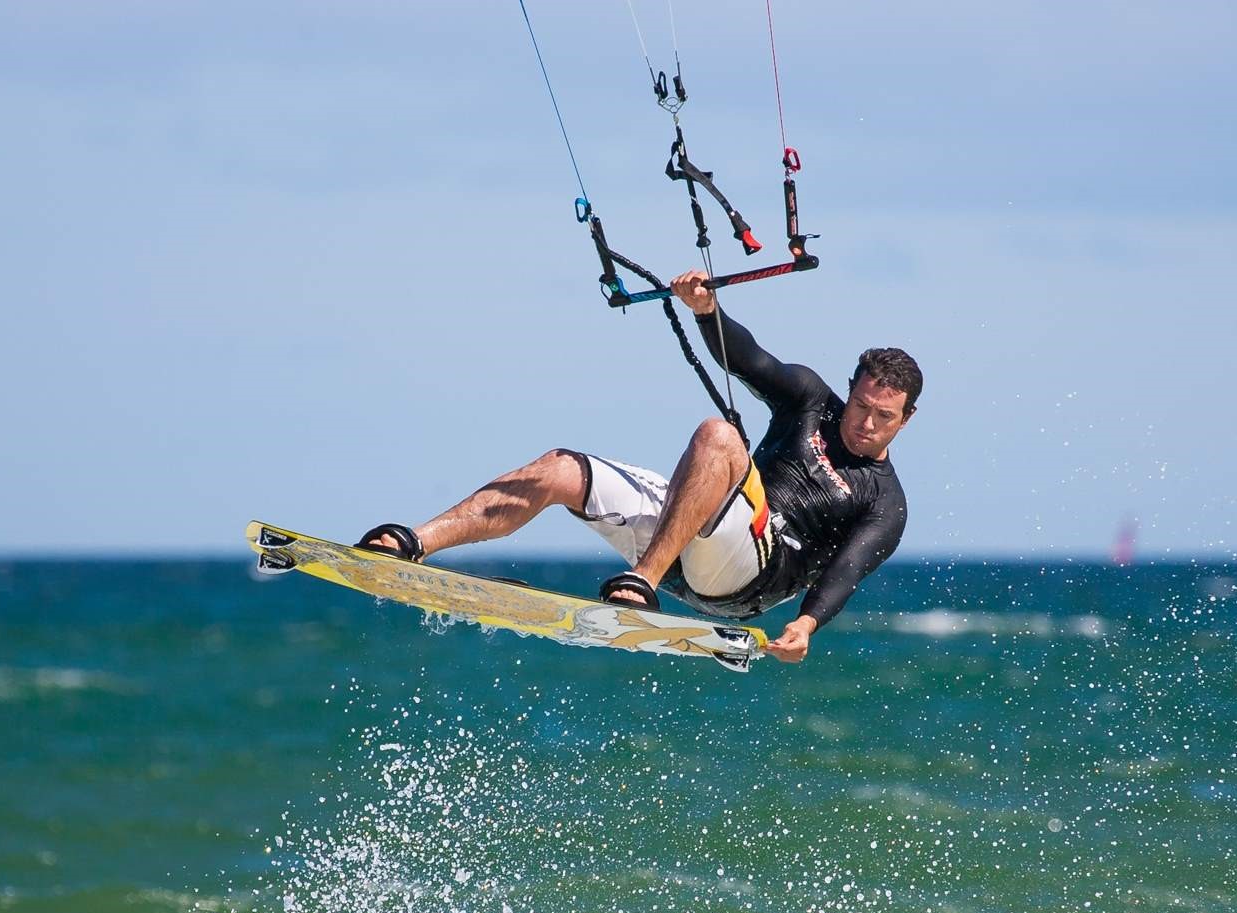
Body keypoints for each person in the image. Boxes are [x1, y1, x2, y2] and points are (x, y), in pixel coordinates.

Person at [359, 269, 921, 663]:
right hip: (691, 537)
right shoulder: (811, 401)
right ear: (850, 391)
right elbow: (750, 360)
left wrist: (804, 626)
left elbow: (845, 574)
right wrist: (708, 311)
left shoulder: (883, 502)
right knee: (560, 468)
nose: (866, 423)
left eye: (884, 417)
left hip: (749, 576)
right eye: (862, 407)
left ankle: (640, 584)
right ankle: (414, 543)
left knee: (719, 437)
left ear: (907, 419)